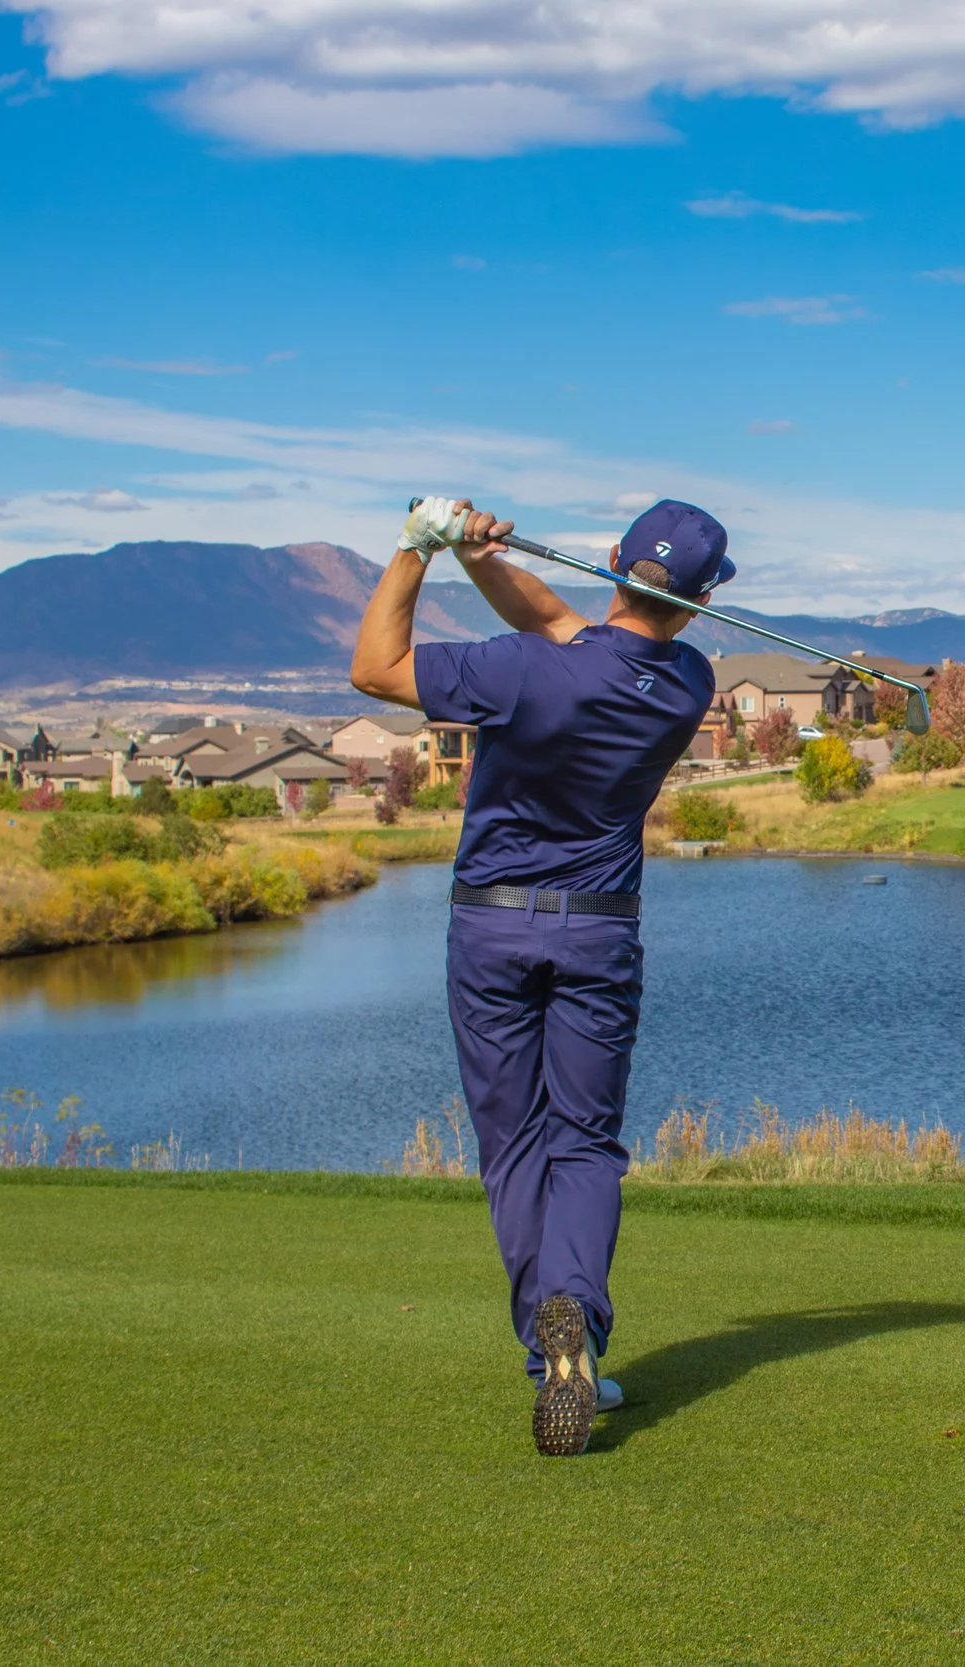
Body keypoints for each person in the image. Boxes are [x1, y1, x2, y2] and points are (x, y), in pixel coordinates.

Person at [351, 493, 725, 1456]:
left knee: (514, 1145)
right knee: (588, 1146)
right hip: (600, 935)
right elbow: (564, 626)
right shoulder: (687, 680)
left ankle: (549, 1344)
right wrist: (483, 558)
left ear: (609, 561)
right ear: (698, 602)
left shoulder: (521, 672)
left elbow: (373, 669)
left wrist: (414, 550)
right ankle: (576, 1327)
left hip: (492, 931)